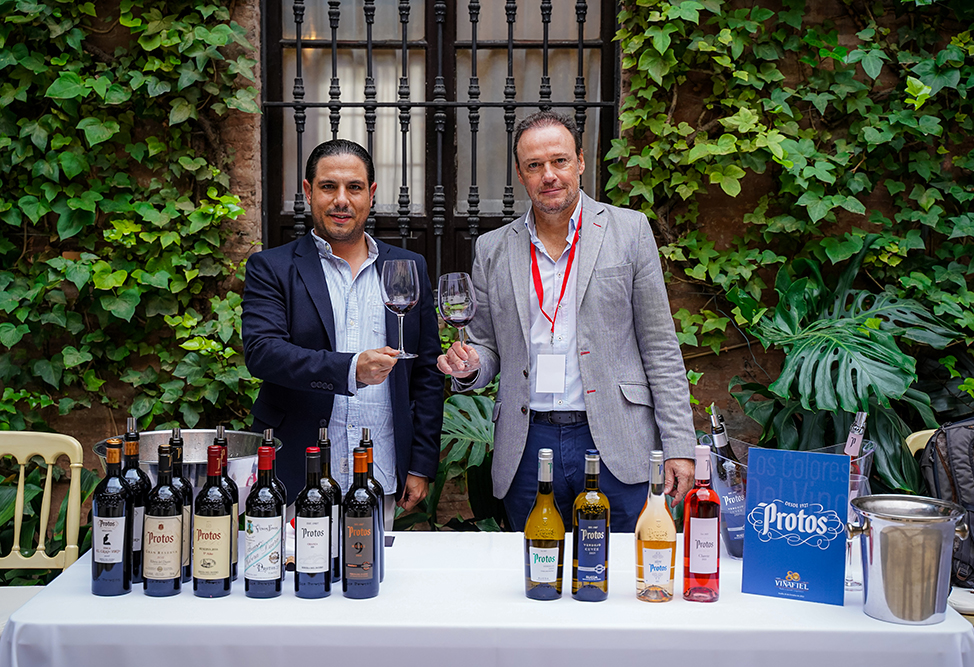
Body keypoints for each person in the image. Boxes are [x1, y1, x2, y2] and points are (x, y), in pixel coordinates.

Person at [437, 111, 696, 532]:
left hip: (614, 437)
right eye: (534, 165)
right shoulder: (492, 248)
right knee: (538, 565)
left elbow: (660, 347)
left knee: (619, 568)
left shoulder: (629, 231)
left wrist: (679, 445)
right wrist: (469, 365)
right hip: (528, 442)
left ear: (580, 161)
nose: (549, 175)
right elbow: (486, 346)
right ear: (520, 174)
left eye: (559, 161)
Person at [242, 139, 443, 527]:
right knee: (295, 567)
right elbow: (263, 353)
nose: (341, 200)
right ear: (308, 191)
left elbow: (427, 375)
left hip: (379, 472)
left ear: (371, 193)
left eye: (354, 187)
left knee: (370, 566)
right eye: (328, 187)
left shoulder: (408, 267)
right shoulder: (272, 268)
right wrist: (351, 370)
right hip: (296, 474)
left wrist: (420, 464)